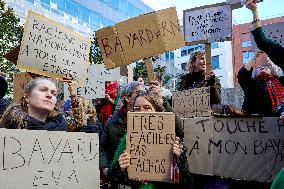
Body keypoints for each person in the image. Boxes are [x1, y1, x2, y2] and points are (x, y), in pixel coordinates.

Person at [107, 93, 192, 188]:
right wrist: (120, 169)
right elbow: (112, 177)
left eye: (147, 107)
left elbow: (187, 182)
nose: (141, 112)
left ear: (157, 111)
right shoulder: (126, 140)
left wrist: (179, 161)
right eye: (137, 108)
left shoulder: (172, 141)